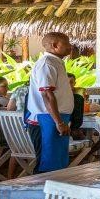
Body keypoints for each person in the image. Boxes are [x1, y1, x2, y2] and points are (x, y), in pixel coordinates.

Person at [24, 31, 76, 173]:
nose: (70, 46)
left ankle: (54, 194)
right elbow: (47, 94)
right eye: (66, 43)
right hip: (47, 119)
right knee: (47, 163)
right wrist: (58, 122)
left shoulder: (55, 62)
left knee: (57, 163)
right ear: (54, 45)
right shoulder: (46, 64)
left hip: (55, 118)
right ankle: (39, 193)